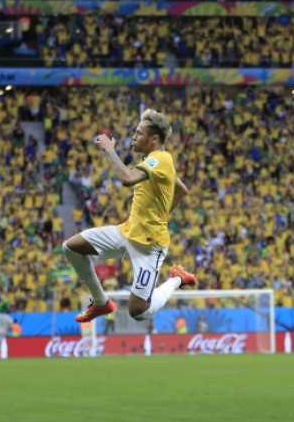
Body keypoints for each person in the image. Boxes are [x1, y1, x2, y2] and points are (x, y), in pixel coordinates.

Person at [62, 109, 197, 324]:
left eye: (139, 133)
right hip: (128, 231)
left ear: (154, 139)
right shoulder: (153, 161)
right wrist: (162, 215)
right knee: (71, 247)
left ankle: (176, 278)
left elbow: (126, 179)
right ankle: (100, 302)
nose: (133, 137)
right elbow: (181, 189)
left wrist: (109, 150)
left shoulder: (160, 159)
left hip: (149, 245)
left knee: (138, 311)